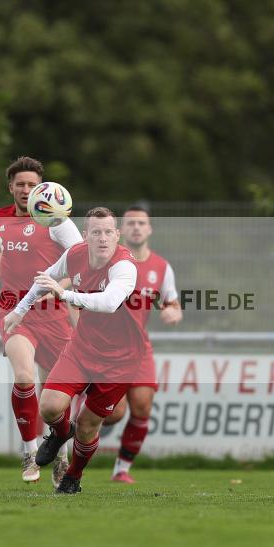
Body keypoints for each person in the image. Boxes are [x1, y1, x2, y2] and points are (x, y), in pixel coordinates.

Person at [4, 207, 146, 494]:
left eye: (108, 232)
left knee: (87, 424)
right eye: (96, 232)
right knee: (49, 406)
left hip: (120, 359)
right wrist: (20, 310)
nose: (102, 238)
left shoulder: (124, 266)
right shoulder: (74, 254)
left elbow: (109, 303)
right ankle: (60, 433)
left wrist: (64, 293)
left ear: (117, 235)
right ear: (85, 236)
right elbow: (45, 279)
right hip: (82, 347)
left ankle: (73, 476)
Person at [0, 156, 82, 486]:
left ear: (42, 187)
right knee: (25, 377)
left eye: (32, 184)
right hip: (14, 312)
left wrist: (58, 287)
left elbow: (81, 263)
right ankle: (29, 451)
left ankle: (61, 456)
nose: (26, 189)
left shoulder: (56, 220)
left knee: (55, 392)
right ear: (10, 187)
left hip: (53, 316)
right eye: (20, 184)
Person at [102, 206, 181, 483]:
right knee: (114, 414)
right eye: (131, 223)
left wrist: (173, 312)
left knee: (142, 407)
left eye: (141, 223)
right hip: (104, 347)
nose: (136, 227)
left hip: (139, 347)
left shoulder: (161, 267)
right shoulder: (106, 260)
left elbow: (172, 303)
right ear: (121, 230)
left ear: (149, 229)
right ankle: (72, 428)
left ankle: (121, 469)